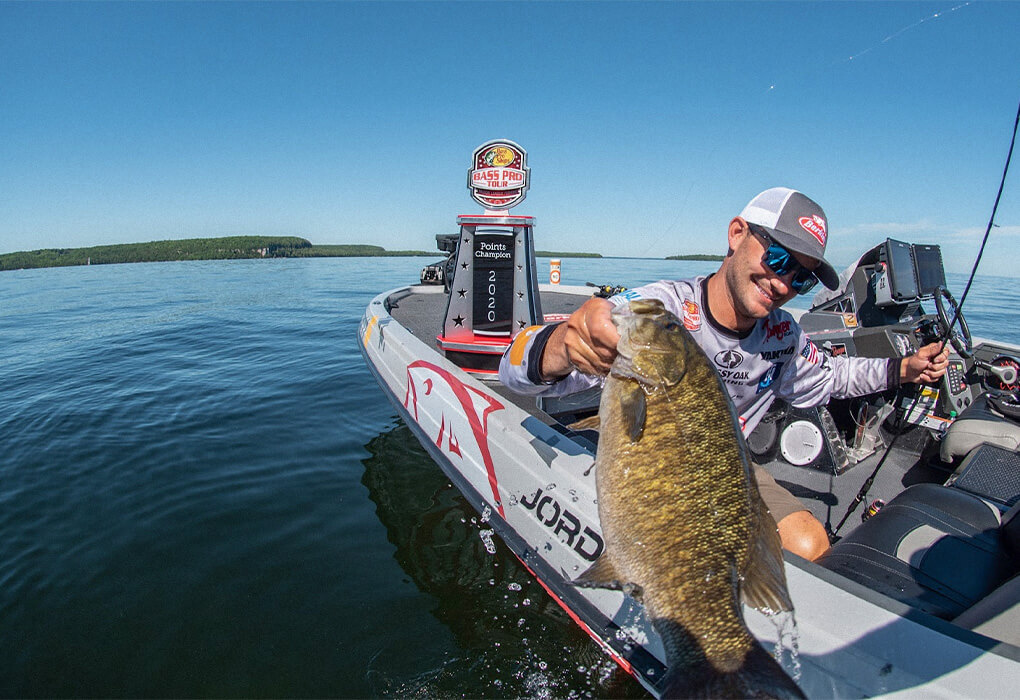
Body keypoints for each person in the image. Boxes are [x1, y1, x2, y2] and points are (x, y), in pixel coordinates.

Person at [499, 187, 950, 561]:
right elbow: (514, 371)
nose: (783, 284)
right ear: (737, 234)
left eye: (802, 279)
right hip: (644, 464)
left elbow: (830, 377)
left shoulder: (782, 335)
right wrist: (559, 347)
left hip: (724, 469)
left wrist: (903, 369)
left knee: (811, 546)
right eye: (777, 259)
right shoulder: (661, 313)